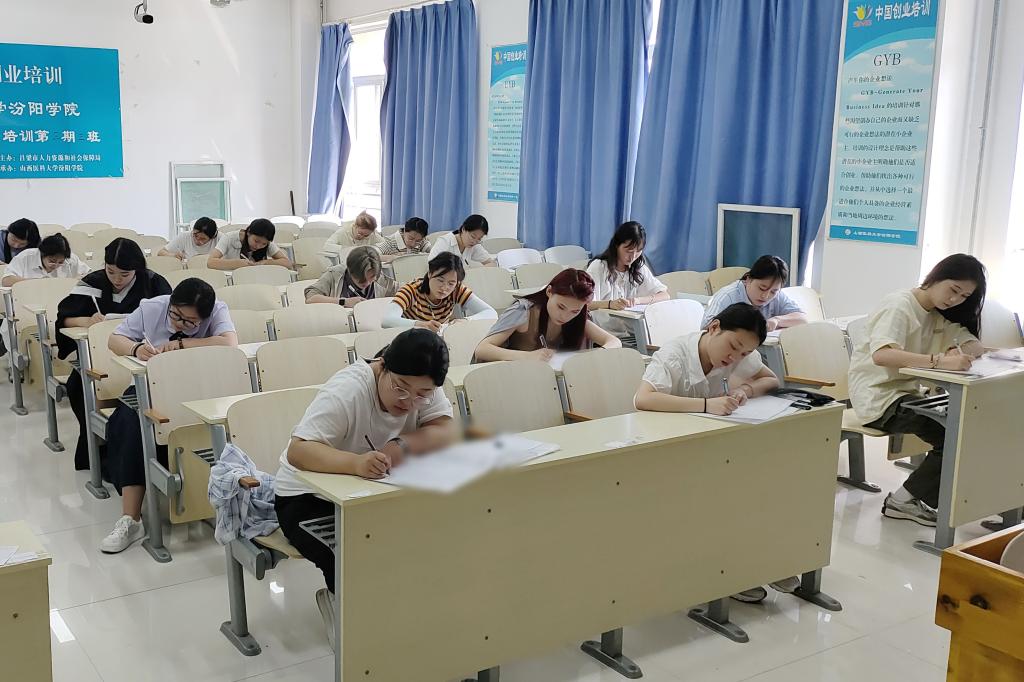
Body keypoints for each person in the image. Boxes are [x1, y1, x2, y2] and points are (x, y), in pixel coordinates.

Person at [274, 328, 457, 649]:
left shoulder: (422, 381)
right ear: (382, 366)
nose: (409, 402)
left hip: (369, 492)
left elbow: (443, 427)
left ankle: (402, 617)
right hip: (306, 497)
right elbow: (299, 451)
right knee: (352, 552)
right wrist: (355, 463)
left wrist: (400, 446)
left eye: (422, 395)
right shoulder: (349, 390)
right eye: (400, 389)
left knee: (432, 537)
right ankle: (348, 619)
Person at [634, 302, 785, 603]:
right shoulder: (675, 353)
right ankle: (726, 573)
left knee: (758, 485)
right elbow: (644, 399)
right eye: (734, 347)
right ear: (714, 327)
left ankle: (759, 564)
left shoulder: (739, 354)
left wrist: (745, 390)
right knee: (723, 495)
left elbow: (770, 379)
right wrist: (706, 405)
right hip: (663, 448)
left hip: (706, 445)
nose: (735, 358)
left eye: (744, 354)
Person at [100, 278, 238, 554]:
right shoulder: (153, 307)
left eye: (190, 322)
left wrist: (184, 344)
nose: (179, 324)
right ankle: (131, 519)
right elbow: (114, 340)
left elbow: (229, 344)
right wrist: (136, 349)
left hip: (199, 388)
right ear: (171, 303)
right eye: (175, 316)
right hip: (151, 385)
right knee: (131, 422)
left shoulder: (217, 310)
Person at [849, 254, 987, 526]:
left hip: (908, 395)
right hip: (878, 398)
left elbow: (974, 344)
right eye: (953, 289)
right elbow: (882, 356)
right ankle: (902, 501)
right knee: (954, 438)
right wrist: (939, 361)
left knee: (967, 431)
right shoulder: (899, 305)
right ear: (936, 277)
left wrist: (960, 348)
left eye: (964, 296)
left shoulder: (936, 314)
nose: (955, 300)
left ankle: (923, 498)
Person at [55, 238, 172, 470]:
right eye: (111, 272)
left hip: (146, 355)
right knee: (78, 384)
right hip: (99, 354)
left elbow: (172, 320)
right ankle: (97, 450)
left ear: (137, 268)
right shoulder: (92, 283)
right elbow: (65, 319)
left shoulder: (154, 283)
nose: (117, 280)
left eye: (124, 274)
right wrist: (88, 321)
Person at [474, 268, 621, 362]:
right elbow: (482, 350)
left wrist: (594, 356)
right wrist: (527, 356)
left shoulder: (578, 318)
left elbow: (614, 342)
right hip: (515, 379)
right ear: (549, 291)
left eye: (575, 311)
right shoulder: (523, 311)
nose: (565, 316)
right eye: (561, 307)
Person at [382, 252, 496, 331]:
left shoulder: (456, 289)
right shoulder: (411, 290)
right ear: (430, 274)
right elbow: (387, 321)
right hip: (411, 340)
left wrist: (466, 320)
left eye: (451, 283)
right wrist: (420, 325)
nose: (444, 288)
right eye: (440, 280)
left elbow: (490, 313)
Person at [701, 255, 806, 331]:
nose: (765, 296)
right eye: (761, 288)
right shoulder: (728, 296)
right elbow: (705, 328)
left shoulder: (777, 296)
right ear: (748, 279)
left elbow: (802, 318)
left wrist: (777, 320)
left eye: (773, 291)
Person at [304, 246, 397, 307]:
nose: (367, 283)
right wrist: (344, 302)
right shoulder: (334, 274)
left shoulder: (380, 279)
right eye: (362, 280)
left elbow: (401, 290)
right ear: (350, 271)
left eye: (372, 277)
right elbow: (311, 298)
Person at [1, 233, 89, 286]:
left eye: (61, 262)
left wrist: (75, 280)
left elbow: (89, 275)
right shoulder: (26, 257)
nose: (56, 265)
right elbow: (6, 280)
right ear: (42, 254)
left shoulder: (71, 259)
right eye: (52, 261)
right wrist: (41, 284)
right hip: (29, 301)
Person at [207, 218, 292, 270]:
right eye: (256, 241)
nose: (258, 246)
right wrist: (237, 264)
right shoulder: (229, 238)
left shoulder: (266, 242)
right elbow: (211, 262)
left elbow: (287, 263)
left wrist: (264, 262)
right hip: (233, 279)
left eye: (264, 244)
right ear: (248, 232)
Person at [427, 214, 496, 267]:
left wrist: (479, 271)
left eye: (479, 239)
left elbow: (492, 263)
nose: (475, 241)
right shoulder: (445, 242)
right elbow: (432, 265)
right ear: (463, 229)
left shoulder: (474, 245)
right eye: (473, 236)